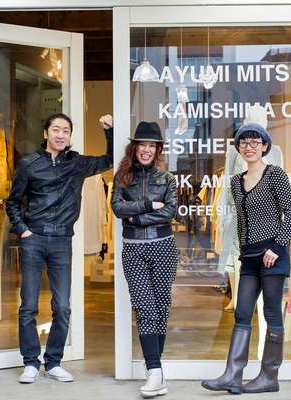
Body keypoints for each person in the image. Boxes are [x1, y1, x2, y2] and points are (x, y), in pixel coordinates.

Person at [6, 113, 113, 383]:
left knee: (62, 306)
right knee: (28, 306)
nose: (61, 134)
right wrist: (23, 230)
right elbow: (13, 202)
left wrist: (109, 131)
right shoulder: (29, 164)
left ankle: (53, 362)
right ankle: (30, 362)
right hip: (34, 239)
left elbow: (108, 160)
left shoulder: (76, 164)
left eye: (66, 130)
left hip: (62, 241)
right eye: (56, 129)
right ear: (46, 134)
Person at [201, 123, 291, 394]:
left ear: (265, 146)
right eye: (245, 143)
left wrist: (277, 247)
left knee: (270, 313)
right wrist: (242, 253)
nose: (250, 147)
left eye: (255, 142)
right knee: (242, 313)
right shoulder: (235, 182)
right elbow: (241, 223)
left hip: (273, 255)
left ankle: (269, 376)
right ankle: (232, 375)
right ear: (239, 149)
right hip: (250, 257)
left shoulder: (275, 175)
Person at [111, 121, 178, 398]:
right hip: (134, 249)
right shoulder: (122, 177)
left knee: (161, 309)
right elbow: (117, 208)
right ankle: (155, 371)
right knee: (144, 307)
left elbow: (171, 212)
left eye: (152, 145)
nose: (147, 150)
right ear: (134, 147)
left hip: (163, 247)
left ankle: (155, 372)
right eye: (142, 144)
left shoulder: (167, 178)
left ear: (157, 149)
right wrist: (149, 206)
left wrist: (134, 216)